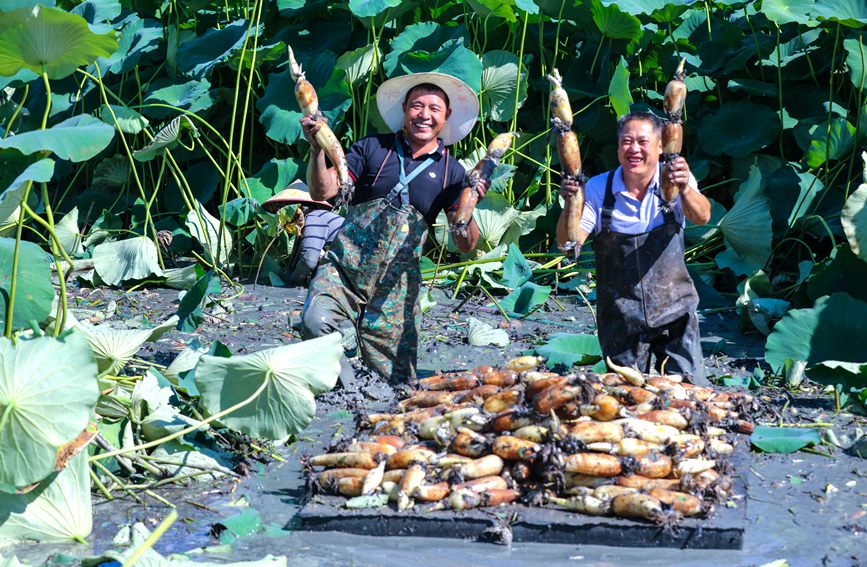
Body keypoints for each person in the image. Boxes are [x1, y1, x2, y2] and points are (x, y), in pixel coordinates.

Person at [298, 72, 487, 385]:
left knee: (396, 383)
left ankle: (365, 393)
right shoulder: (373, 148)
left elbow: (465, 244)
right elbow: (323, 193)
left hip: (396, 287)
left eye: (434, 109)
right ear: (404, 110)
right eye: (416, 106)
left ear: (447, 117)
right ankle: (348, 389)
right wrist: (318, 148)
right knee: (315, 322)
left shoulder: (452, 173)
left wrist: (469, 207)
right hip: (345, 267)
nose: (424, 115)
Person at [559, 111, 712, 385]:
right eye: (627, 142)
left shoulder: (674, 180)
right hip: (619, 316)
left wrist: (685, 188)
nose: (634, 149)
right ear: (618, 148)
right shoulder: (598, 189)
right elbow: (569, 244)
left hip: (675, 311)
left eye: (643, 141)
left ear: (659, 146)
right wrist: (571, 203)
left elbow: (702, 217)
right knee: (624, 400)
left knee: (690, 395)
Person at [262, 180, 345, 286]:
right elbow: (302, 255)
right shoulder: (312, 219)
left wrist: (293, 281)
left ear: (298, 209)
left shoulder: (314, 218)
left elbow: (308, 260)